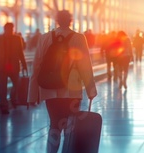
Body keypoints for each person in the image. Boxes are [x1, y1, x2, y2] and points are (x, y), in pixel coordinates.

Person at [27, 10, 97, 153]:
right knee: (70, 125)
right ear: (70, 21)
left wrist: (32, 95)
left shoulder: (45, 38)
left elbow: (36, 66)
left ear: (57, 20)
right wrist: (91, 90)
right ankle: (68, 150)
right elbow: (85, 66)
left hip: (49, 90)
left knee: (54, 124)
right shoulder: (78, 38)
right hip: (71, 90)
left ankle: (51, 151)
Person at [0, 23, 28, 114]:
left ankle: (13, 97)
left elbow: (20, 53)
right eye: (9, 29)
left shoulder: (17, 39)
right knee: (2, 87)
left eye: (11, 29)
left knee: (17, 83)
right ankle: (4, 105)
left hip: (13, 65)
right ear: (5, 29)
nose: (10, 31)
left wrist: (24, 64)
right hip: (1, 66)